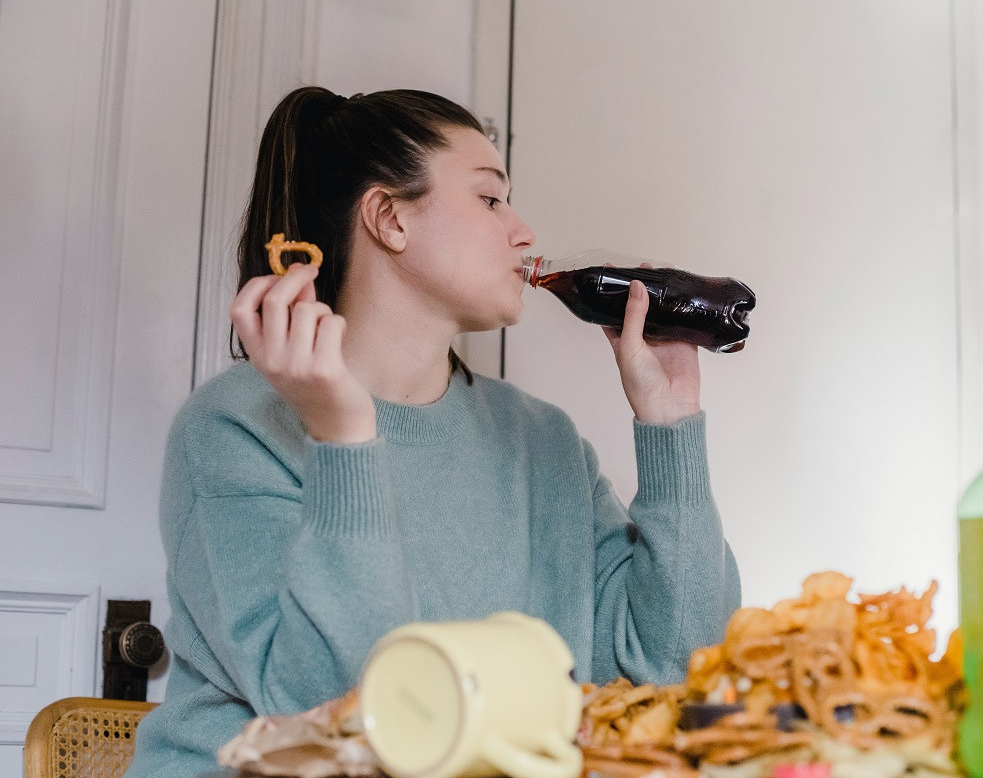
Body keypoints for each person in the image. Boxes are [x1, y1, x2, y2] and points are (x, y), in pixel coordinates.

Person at [126, 86, 740, 777]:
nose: (523, 231)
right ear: (389, 218)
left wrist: (671, 425)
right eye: (490, 198)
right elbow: (343, 715)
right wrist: (344, 438)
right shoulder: (237, 427)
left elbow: (679, 667)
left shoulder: (542, 443)